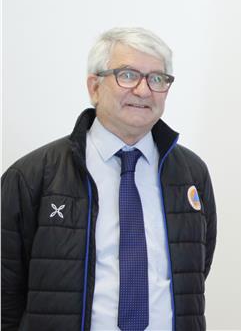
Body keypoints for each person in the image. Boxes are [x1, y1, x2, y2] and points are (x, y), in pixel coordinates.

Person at [2, 27, 217, 331]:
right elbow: (6, 292)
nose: (144, 91)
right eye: (127, 75)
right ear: (95, 87)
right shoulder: (33, 175)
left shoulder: (191, 175)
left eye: (157, 79)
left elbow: (196, 270)